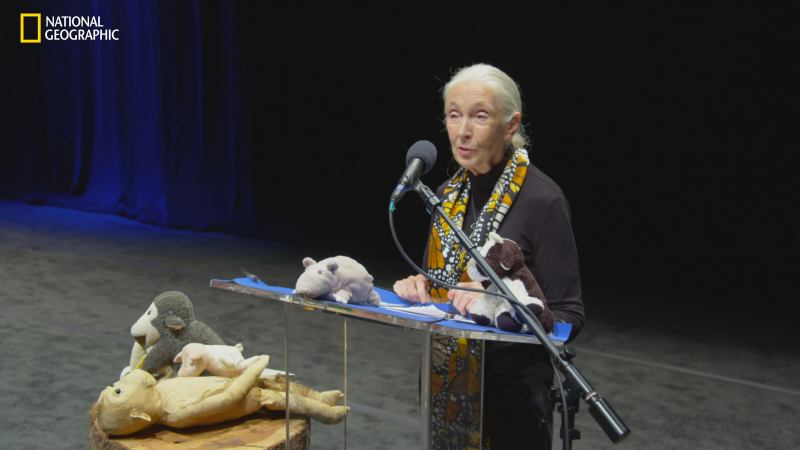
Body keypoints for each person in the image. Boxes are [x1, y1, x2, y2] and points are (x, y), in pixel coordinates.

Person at [393, 63, 585, 450]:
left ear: (511, 125)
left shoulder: (543, 200)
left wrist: (496, 303)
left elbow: (569, 315)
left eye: (479, 116)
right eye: (454, 115)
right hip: (445, 376)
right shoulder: (444, 196)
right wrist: (418, 286)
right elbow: (440, 286)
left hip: (513, 395)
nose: (462, 131)